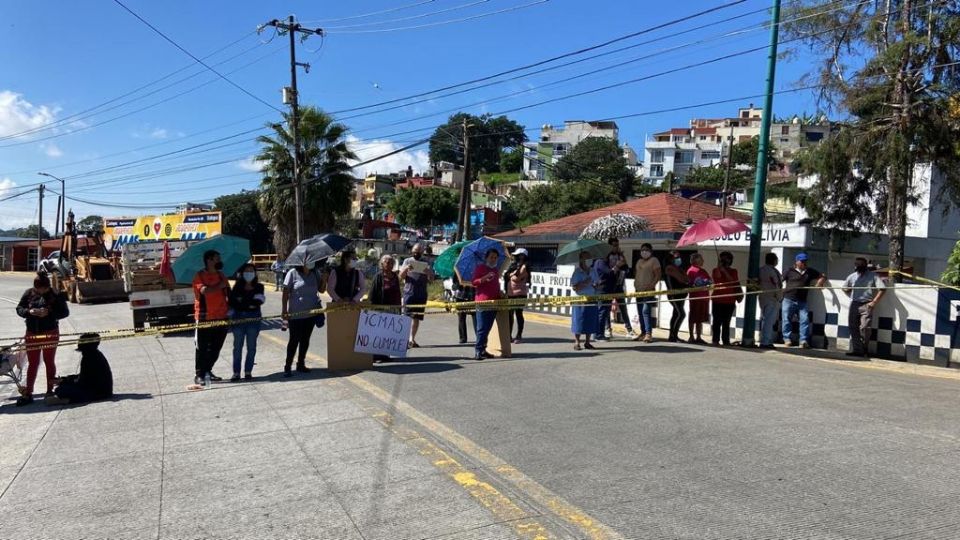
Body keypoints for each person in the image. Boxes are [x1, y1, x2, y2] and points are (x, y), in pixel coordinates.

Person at [15, 273, 69, 406]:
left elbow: (65, 312)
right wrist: (29, 312)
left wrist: (49, 312)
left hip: (50, 332)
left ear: (48, 287)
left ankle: (50, 390)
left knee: (49, 361)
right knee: (32, 363)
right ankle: (28, 392)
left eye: (44, 289)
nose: (41, 292)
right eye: (39, 289)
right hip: (32, 333)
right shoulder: (28, 294)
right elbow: (19, 308)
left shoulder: (55, 294)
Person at [192, 250, 229, 386]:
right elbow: (205, 291)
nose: (219, 261)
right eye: (217, 258)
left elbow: (227, 292)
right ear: (209, 260)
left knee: (215, 348)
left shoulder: (221, 275)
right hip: (204, 317)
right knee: (202, 348)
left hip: (222, 316)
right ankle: (199, 374)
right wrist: (219, 285)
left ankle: (208, 371)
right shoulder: (199, 276)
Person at [45, 332, 112, 406]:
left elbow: (83, 381)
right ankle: (65, 398)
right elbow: (84, 375)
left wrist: (65, 381)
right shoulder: (94, 354)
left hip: (98, 392)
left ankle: (64, 400)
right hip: (101, 390)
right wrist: (64, 379)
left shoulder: (90, 357)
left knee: (61, 390)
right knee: (62, 388)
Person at [282, 261, 323, 377]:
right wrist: (284, 310)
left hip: (311, 314)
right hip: (295, 315)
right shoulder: (292, 273)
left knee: (305, 340)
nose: (311, 262)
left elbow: (322, 290)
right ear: (301, 262)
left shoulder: (315, 273)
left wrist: (324, 277)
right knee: (294, 340)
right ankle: (287, 366)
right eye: (308, 260)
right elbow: (285, 293)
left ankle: (301, 364)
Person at [842, 257, 887, 357]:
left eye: (861, 266)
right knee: (853, 327)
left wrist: (874, 302)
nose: (859, 268)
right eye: (858, 266)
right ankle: (857, 350)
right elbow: (845, 288)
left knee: (865, 327)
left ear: (865, 266)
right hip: (854, 303)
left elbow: (883, 289)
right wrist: (851, 296)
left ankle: (864, 348)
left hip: (867, 303)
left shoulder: (873, 276)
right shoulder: (852, 276)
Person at [228, 263, 265, 381]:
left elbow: (258, 302)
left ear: (255, 274)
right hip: (238, 321)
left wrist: (242, 302)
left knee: (252, 347)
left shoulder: (259, 287)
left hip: (253, 321)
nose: (249, 274)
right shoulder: (236, 287)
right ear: (242, 273)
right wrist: (249, 303)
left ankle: (248, 371)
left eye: (251, 271)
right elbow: (233, 303)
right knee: (237, 347)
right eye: (247, 271)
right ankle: (236, 373)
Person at [782, 252, 826, 348]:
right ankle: (787, 339)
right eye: (802, 261)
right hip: (788, 299)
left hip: (802, 300)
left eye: (805, 261)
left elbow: (822, 276)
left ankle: (803, 341)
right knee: (786, 319)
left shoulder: (809, 271)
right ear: (797, 262)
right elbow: (780, 279)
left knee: (805, 320)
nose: (804, 263)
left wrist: (820, 282)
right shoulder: (789, 271)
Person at [368, 255, 403, 363]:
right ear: (382, 264)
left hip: (392, 308)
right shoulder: (378, 276)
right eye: (387, 262)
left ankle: (385, 355)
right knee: (378, 333)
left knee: (388, 334)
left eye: (391, 262)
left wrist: (399, 308)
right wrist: (371, 308)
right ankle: (375, 356)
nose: (389, 264)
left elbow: (398, 292)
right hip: (379, 308)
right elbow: (372, 293)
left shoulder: (395, 276)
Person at [400, 243, 435, 348]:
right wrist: (406, 269)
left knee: (416, 317)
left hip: (421, 294)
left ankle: (412, 339)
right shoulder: (407, 261)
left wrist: (428, 272)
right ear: (412, 251)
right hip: (408, 293)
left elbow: (432, 280)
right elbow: (401, 276)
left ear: (422, 252)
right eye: (415, 251)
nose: (417, 253)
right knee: (406, 317)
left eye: (419, 251)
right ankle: (403, 339)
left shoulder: (426, 262)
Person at [471, 248, 502, 360]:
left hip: (494, 302)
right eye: (491, 257)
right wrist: (484, 278)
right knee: (482, 328)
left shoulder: (496, 270)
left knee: (488, 328)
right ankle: (478, 350)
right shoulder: (480, 268)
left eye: (495, 257)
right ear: (486, 258)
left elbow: (496, 285)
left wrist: (500, 293)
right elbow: (474, 282)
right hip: (482, 302)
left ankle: (484, 349)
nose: (493, 259)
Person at [711, 251, 743, 346]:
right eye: (722, 259)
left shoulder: (734, 271)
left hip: (729, 301)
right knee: (716, 321)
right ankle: (715, 340)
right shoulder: (715, 270)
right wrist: (719, 268)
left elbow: (732, 281)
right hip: (717, 300)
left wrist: (725, 270)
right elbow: (717, 277)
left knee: (726, 322)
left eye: (727, 259)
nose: (725, 261)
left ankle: (726, 340)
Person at [607, 238, 636, 339]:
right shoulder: (606, 256)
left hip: (619, 285)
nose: (616, 247)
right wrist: (616, 266)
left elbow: (626, 269)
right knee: (607, 308)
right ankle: (608, 329)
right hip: (609, 285)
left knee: (623, 308)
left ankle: (629, 329)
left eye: (617, 244)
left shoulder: (620, 256)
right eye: (614, 245)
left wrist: (622, 257)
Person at [632, 243, 661, 343]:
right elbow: (637, 274)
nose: (644, 251)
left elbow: (658, 275)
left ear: (650, 251)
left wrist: (651, 285)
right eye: (642, 250)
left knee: (646, 311)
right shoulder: (639, 261)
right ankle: (643, 332)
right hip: (638, 290)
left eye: (646, 249)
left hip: (648, 290)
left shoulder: (654, 260)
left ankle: (649, 333)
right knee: (640, 312)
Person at [571, 251, 599, 351]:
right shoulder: (577, 272)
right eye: (586, 258)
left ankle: (587, 342)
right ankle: (577, 342)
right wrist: (584, 283)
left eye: (589, 258)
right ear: (581, 260)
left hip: (591, 298)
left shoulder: (593, 271)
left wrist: (596, 285)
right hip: (579, 300)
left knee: (590, 320)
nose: (589, 260)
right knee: (578, 320)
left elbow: (597, 282)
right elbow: (575, 287)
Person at [504, 248, 531, 344]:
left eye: (520, 255)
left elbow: (516, 277)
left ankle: (519, 335)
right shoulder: (513, 265)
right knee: (509, 315)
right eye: (517, 255)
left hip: (520, 294)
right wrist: (510, 273)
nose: (518, 257)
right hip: (510, 293)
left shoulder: (525, 267)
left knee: (518, 314)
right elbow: (507, 275)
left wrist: (510, 274)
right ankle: (508, 335)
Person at [758, 252, 784, 349]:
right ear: (774, 260)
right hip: (772, 298)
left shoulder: (761, 270)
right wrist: (780, 297)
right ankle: (765, 342)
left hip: (763, 297)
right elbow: (776, 286)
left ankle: (766, 340)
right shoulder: (772, 272)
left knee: (766, 319)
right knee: (769, 320)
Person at [663, 250, 690, 342]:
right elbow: (682, 279)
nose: (679, 259)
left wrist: (685, 278)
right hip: (674, 295)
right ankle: (673, 336)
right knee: (681, 314)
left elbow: (687, 279)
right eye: (676, 257)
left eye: (679, 257)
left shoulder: (679, 268)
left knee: (676, 313)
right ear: (671, 259)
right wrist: (685, 279)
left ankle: (674, 335)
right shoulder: (669, 267)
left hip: (681, 294)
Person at [686, 252, 711, 345]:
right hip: (695, 297)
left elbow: (710, 280)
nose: (703, 260)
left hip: (704, 297)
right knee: (693, 317)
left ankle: (699, 337)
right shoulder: (691, 271)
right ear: (695, 260)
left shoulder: (703, 271)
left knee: (700, 319)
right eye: (701, 258)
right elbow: (689, 283)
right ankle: (691, 336)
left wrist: (708, 283)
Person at [592, 254, 616, 341]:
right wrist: (616, 267)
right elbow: (609, 272)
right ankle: (598, 334)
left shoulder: (604, 262)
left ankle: (600, 333)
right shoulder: (600, 262)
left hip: (607, 291)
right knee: (601, 312)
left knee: (604, 312)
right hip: (602, 291)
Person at [452, 280, 476, 345]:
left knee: (474, 317)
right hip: (462, 297)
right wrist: (458, 285)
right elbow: (454, 286)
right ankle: (463, 338)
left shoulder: (472, 272)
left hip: (470, 296)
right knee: (462, 318)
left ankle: (477, 337)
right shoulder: (458, 272)